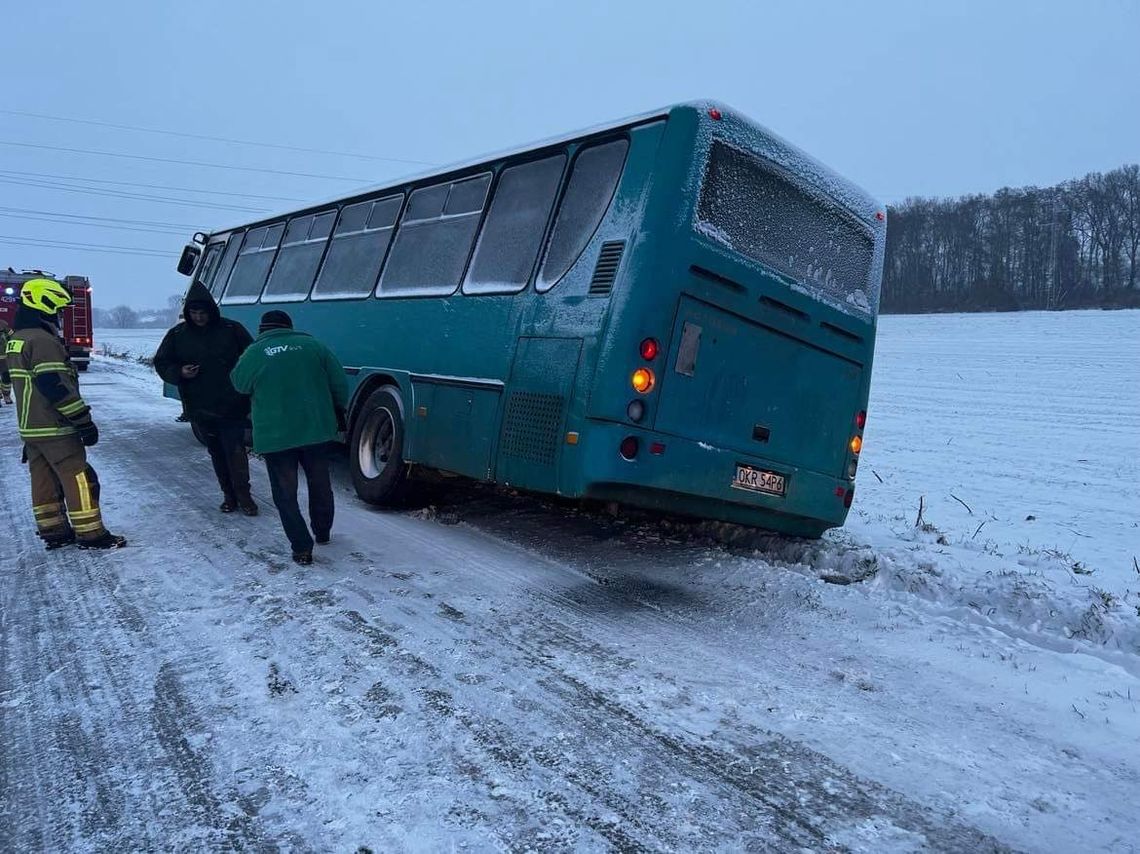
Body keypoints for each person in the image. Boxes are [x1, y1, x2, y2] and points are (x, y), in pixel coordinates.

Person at [4, 278, 126, 550]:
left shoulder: (17, 339)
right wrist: (83, 420)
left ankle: (54, 531)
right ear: (44, 306)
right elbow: (55, 386)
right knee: (79, 477)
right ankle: (92, 534)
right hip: (56, 427)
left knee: (43, 479)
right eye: (56, 310)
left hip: (31, 428)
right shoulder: (43, 341)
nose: (58, 315)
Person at [230, 310, 348, 566]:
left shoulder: (255, 352)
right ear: (289, 326)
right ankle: (323, 531)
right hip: (315, 429)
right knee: (320, 483)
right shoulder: (313, 346)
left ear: (263, 330)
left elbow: (239, 383)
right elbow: (339, 383)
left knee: (285, 493)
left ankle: (302, 548)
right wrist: (339, 410)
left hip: (276, 435)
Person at [154, 282, 257, 515]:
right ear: (188, 313)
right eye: (194, 313)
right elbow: (162, 362)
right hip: (200, 405)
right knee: (217, 453)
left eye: (203, 312)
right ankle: (228, 496)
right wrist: (180, 372)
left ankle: (245, 496)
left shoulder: (232, 329)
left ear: (211, 310)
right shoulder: (178, 334)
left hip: (233, 403)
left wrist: (246, 385)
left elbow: (251, 358)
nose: (199, 317)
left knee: (236, 450)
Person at [0, 318, 13, 405]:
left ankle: (6, 395)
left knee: (6, 377)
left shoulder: (3, 324)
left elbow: (12, 337)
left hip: (4, 357)